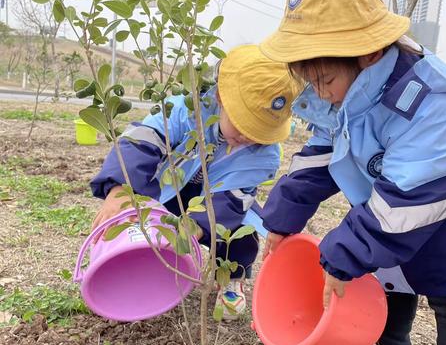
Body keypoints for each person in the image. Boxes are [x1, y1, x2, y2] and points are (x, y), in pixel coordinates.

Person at [259, 0, 446, 345]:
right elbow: (322, 155)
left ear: (369, 53)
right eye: (311, 81)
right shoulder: (349, 94)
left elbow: (414, 195)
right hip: (396, 204)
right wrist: (282, 217)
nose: (320, 93)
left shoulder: (425, 101)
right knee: (392, 277)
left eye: (325, 79)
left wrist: (346, 250)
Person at [90, 44, 299, 321]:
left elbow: (230, 200)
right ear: (221, 98)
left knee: (239, 235)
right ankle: (134, 271)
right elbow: (142, 142)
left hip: (218, 202)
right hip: (167, 193)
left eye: (259, 132)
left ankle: (232, 279)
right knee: (137, 220)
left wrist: (196, 228)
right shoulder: (186, 111)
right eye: (244, 125)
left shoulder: (264, 155)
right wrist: (120, 190)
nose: (249, 137)